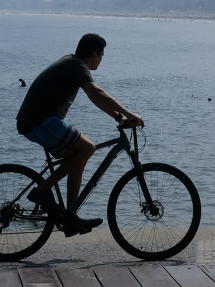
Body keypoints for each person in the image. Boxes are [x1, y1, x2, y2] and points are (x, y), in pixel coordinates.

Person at [16, 33, 144, 235]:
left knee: (78, 156)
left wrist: (119, 118)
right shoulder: (76, 66)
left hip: (40, 120)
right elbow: (97, 93)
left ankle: (70, 217)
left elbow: (95, 98)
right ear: (94, 54)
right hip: (40, 122)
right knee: (88, 148)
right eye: (101, 55)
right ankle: (41, 192)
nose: (101, 60)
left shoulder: (72, 62)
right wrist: (130, 114)